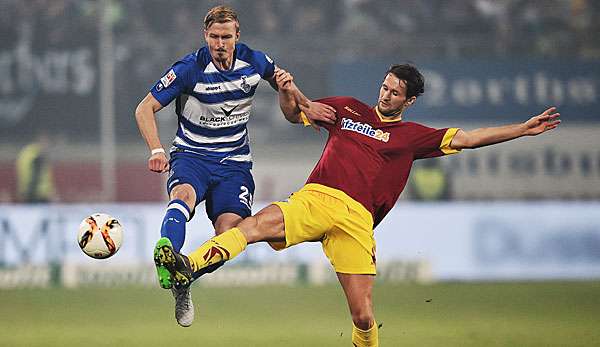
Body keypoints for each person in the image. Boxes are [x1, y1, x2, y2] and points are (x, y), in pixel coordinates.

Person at [153, 63, 561, 346]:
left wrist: (522, 131)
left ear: (409, 101)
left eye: (395, 92)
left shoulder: (413, 137)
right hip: (316, 198)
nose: (386, 94)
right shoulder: (348, 108)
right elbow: (295, 115)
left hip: (357, 223)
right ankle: (188, 267)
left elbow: (470, 138)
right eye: (384, 86)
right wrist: (287, 92)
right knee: (250, 226)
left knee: (364, 316)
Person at [134, 5, 334, 327]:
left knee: (230, 233)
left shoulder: (255, 61)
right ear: (205, 36)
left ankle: (185, 278)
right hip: (192, 155)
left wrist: (307, 104)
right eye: (214, 37)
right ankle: (167, 254)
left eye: (226, 37)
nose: (220, 43)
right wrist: (156, 149)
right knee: (182, 196)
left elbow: (286, 94)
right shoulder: (189, 67)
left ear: (237, 36)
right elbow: (144, 109)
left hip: (234, 164)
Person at [16, 133, 57, 203]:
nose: (48, 147)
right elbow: (35, 178)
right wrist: (49, 194)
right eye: (47, 143)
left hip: (29, 194)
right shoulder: (37, 157)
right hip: (37, 196)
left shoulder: (26, 154)